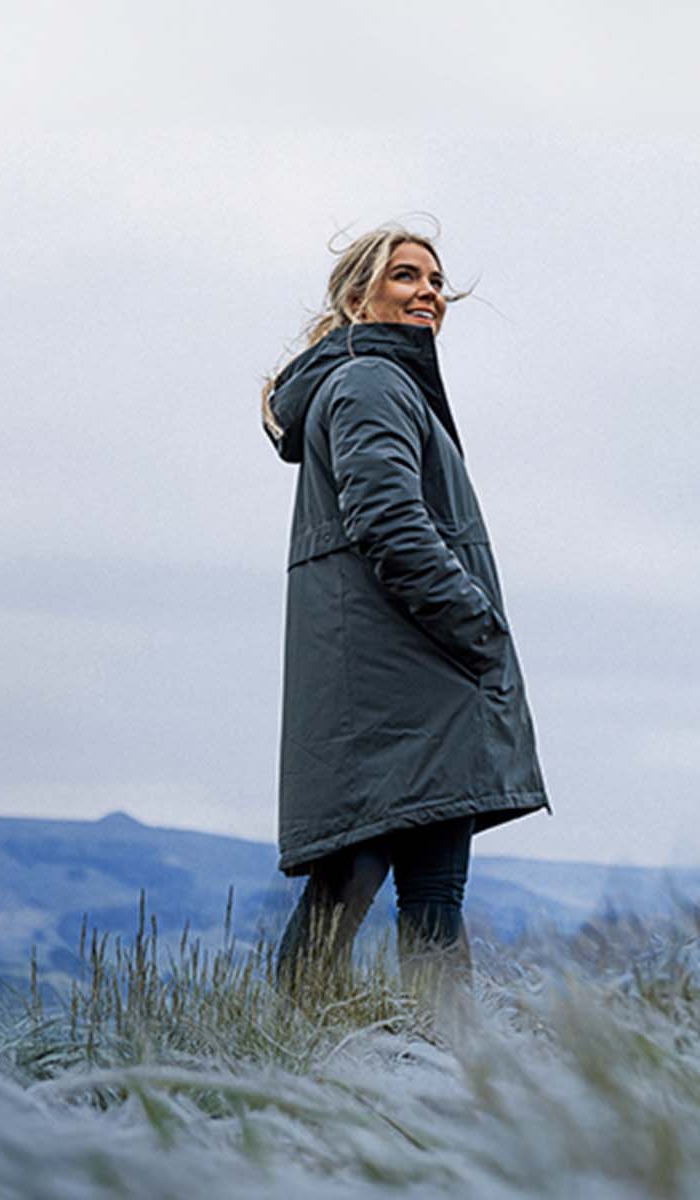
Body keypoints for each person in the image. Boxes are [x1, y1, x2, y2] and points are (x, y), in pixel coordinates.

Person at [259, 222, 549, 992]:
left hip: (408, 687)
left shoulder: (376, 382)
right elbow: (389, 524)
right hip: (405, 689)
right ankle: (332, 1069)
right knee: (360, 895)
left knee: (416, 899)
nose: (428, 292)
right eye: (405, 277)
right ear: (357, 297)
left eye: (435, 281)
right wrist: (478, 629)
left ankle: (435, 1082)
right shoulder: (370, 382)